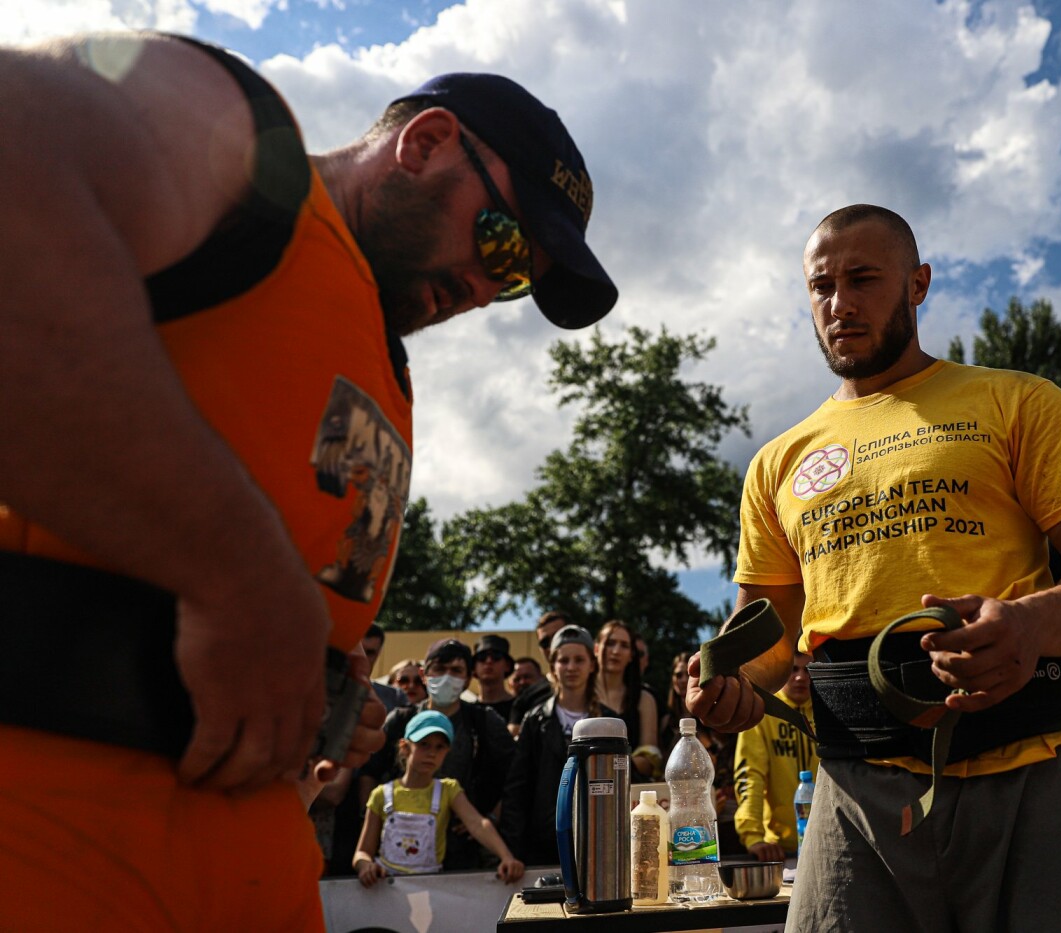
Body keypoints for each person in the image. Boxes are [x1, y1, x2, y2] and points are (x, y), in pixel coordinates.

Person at [0, 30, 614, 929]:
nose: (488, 288)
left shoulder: (381, 365)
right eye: (501, 242)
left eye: (518, 279)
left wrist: (331, 706)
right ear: (427, 140)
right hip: (46, 834)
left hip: (247, 861)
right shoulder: (242, 145)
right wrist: (232, 566)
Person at [688, 204, 1061, 930]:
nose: (839, 303)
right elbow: (769, 632)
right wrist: (730, 681)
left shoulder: (1016, 401)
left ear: (918, 284)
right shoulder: (776, 463)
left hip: (1029, 775)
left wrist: (1030, 624)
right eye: (820, 286)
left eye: (864, 279)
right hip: (853, 799)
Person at [365, 638, 517, 870]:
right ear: (424, 674)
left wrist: (492, 816)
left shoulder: (484, 721)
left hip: (465, 849)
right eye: (439, 668)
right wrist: (373, 823)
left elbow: (515, 777)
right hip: (398, 845)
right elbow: (369, 771)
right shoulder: (399, 720)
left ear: (467, 680)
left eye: (456, 670)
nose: (447, 676)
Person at [353, 710, 524, 885]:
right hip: (386, 889)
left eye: (440, 747)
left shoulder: (448, 790)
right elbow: (362, 852)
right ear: (405, 747)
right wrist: (366, 866)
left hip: (432, 889)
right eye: (424, 744)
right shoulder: (381, 794)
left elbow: (477, 823)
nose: (432, 753)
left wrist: (506, 857)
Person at [501, 625, 616, 865]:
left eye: (579, 660)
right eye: (563, 660)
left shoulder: (610, 723)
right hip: (542, 847)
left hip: (599, 846)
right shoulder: (535, 720)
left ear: (592, 665)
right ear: (552, 666)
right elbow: (517, 790)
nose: (571, 667)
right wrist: (514, 852)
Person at [733, 653, 818, 861]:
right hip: (779, 848)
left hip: (826, 841)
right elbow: (750, 774)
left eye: (808, 670)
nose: (800, 677)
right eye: (793, 670)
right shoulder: (763, 710)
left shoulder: (830, 710)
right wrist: (753, 836)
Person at [595, 619, 663, 778]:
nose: (616, 651)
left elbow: (650, 761)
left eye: (624, 645)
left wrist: (605, 764)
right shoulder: (581, 695)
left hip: (631, 791)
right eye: (610, 643)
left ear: (631, 655)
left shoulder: (644, 699)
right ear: (596, 648)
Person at [508, 610, 572, 735]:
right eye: (544, 642)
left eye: (558, 636)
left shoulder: (600, 687)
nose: (552, 645)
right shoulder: (525, 700)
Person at [364, 623, 409, 711]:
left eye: (369, 653)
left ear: (378, 653)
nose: (362, 657)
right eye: (358, 650)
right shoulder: (329, 692)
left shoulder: (395, 698)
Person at [472, 634, 516, 720]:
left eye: (496, 656)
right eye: (482, 657)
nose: (489, 661)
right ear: (474, 668)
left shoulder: (520, 709)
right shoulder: (465, 712)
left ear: (507, 666)